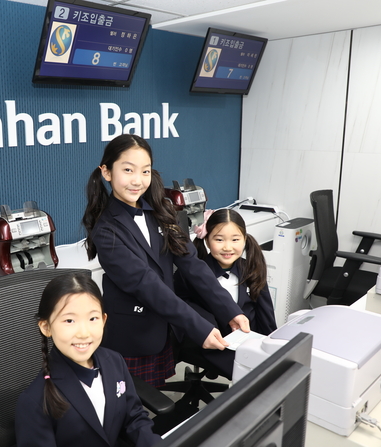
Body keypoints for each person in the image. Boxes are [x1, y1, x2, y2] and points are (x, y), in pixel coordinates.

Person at [81, 133, 250, 387]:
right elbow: (146, 284)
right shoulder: (106, 231)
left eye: (145, 171)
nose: (137, 180)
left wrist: (230, 310)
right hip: (133, 336)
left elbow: (192, 264)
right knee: (133, 404)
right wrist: (198, 327)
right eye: (128, 170)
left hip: (165, 327)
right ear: (106, 172)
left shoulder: (161, 211)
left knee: (156, 395)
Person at [15, 272, 161, 447]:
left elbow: (134, 417)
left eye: (93, 318)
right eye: (69, 320)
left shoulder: (115, 361)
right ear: (46, 327)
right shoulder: (33, 401)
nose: (84, 333)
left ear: (104, 320)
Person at [174, 208, 278, 378]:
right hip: (209, 342)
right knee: (250, 376)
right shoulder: (193, 273)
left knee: (270, 371)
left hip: (245, 341)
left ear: (244, 240)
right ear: (207, 241)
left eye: (235, 239)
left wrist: (271, 346)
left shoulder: (251, 269)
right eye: (219, 239)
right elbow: (180, 304)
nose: (227, 247)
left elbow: (265, 312)